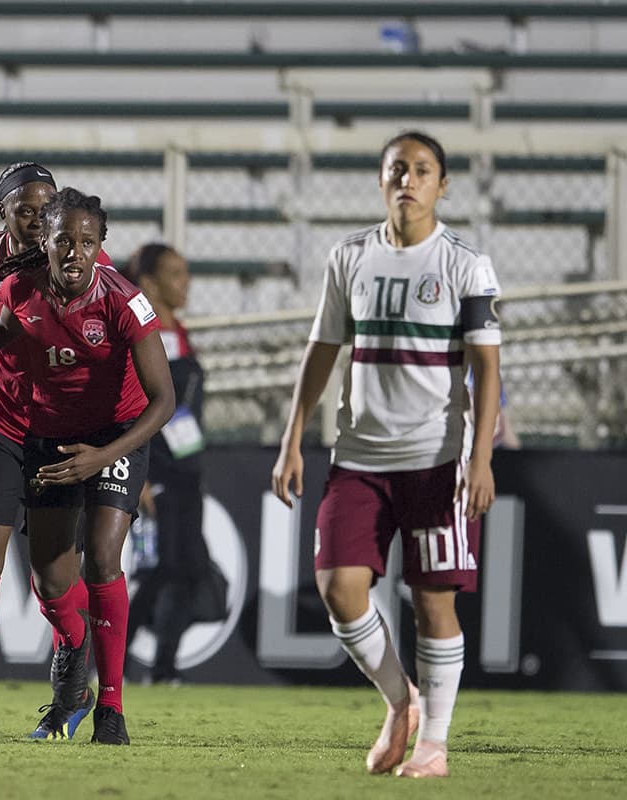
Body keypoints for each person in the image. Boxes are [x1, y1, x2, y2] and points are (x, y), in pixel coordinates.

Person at [0, 187, 176, 745]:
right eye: (63, 242)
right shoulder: (19, 286)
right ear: (44, 245)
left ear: (102, 246)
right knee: (51, 580)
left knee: (102, 557)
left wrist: (103, 456)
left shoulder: (125, 301)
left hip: (114, 436)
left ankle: (111, 712)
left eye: (87, 242)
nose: (75, 252)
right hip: (46, 434)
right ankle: (31, 683)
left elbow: (164, 400)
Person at [270, 131, 503, 779]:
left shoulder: (465, 262)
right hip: (359, 457)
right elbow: (322, 352)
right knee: (338, 588)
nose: (409, 179)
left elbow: (488, 367)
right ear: (380, 179)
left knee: (433, 601)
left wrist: (479, 458)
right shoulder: (350, 257)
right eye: (397, 168)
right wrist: (293, 440)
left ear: (442, 184)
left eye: (422, 170)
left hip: (437, 459)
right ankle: (401, 702)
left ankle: (434, 745)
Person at [0, 161, 107, 742]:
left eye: (48, 207)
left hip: (56, 432)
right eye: (27, 208)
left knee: (53, 579)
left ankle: (73, 649)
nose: (40, 218)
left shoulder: (71, 259)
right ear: (3, 212)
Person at [121, 243, 211, 686]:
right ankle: (130, 665)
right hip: (156, 471)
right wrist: (139, 473)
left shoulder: (181, 334)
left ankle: (160, 669)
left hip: (187, 471)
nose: (187, 283)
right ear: (151, 284)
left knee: (185, 569)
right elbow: (135, 407)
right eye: (176, 274)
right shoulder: (142, 333)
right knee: (164, 570)